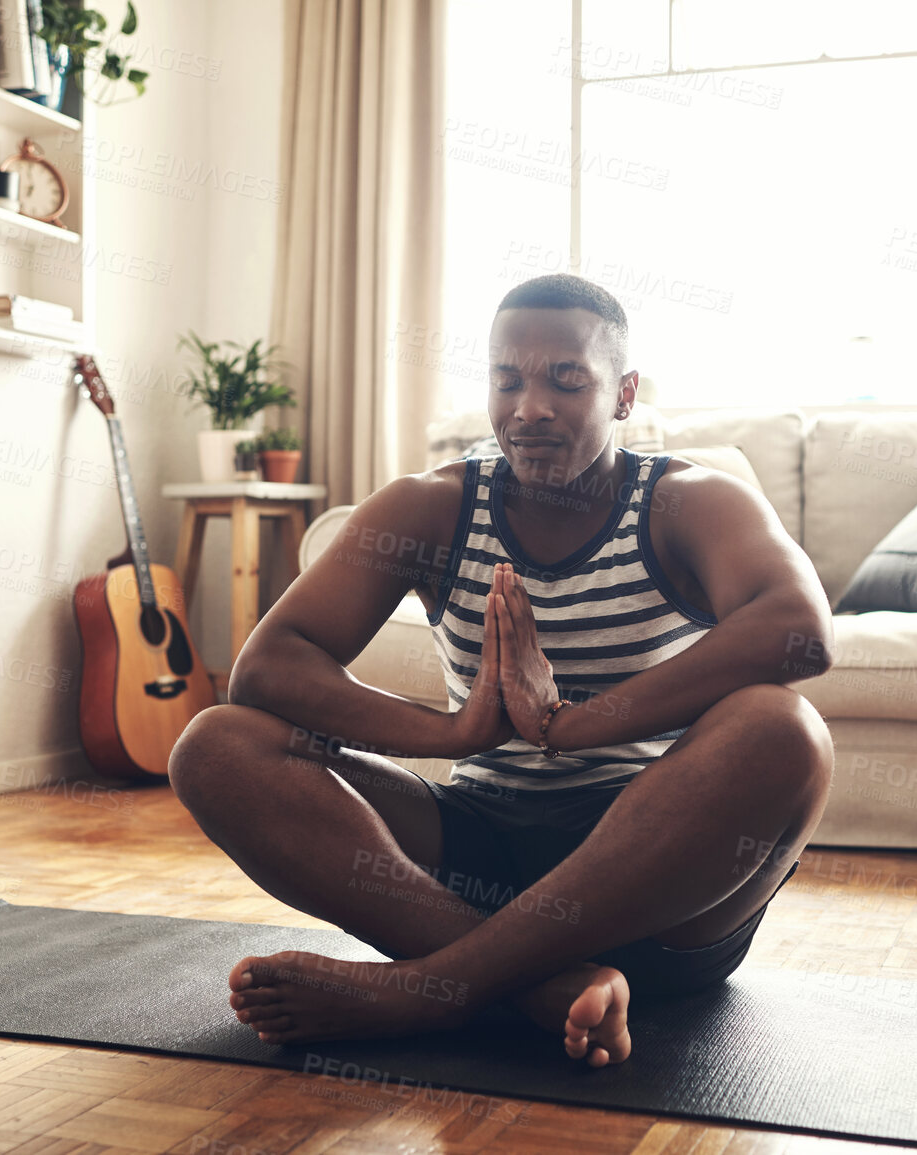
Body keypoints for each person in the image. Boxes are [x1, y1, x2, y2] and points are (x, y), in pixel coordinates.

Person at [168, 273, 835, 1066]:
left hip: (657, 884)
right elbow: (269, 666)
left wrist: (572, 723)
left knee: (783, 727)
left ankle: (422, 992)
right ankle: (536, 988)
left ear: (623, 395)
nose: (529, 407)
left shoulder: (689, 502)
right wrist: (450, 729)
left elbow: (798, 631)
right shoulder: (432, 506)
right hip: (478, 854)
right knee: (217, 744)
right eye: (506, 379)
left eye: (565, 379)